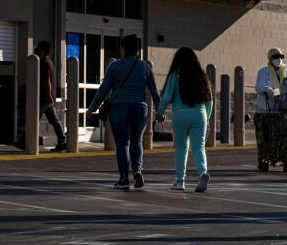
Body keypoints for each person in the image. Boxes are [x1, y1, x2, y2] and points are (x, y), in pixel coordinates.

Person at [86, 34, 160, 190]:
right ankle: (138, 170)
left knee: (122, 144)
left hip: (119, 108)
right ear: (137, 50)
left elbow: (104, 89)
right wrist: (160, 111)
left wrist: (92, 108)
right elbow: (154, 91)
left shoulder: (114, 66)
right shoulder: (144, 66)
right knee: (137, 141)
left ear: (123, 48)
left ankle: (124, 179)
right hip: (140, 108)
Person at [155, 47, 214, 192]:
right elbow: (209, 100)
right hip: (199, 114)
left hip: (180, 114)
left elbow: (167, 97)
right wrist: (206, 118)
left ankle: (180, 181)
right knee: (199, 147)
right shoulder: (201, 75)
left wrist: (159, 113)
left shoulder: (175, 75)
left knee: (181, 149)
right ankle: (202, 174)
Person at [254, 47, 287, 172]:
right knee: (266, 138)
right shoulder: (263, 71)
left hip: (284, 109)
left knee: (285, 138)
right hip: (267, 110)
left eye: (280, 57)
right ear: (270, 59)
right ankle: (264, 161)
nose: (278, 60)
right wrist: (266, 89)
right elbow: (258, 86)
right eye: (276, 57)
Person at [35, 40, 66, 152]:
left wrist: (48, 95)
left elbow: (46, 80)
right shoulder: (49, 62)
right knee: (54, 119)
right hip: (47, 96)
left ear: (42, 50)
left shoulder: (44, 63)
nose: (36, 50)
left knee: (34, 118)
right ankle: (62, 141)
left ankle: (28, 140)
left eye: (38, 48)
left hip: (44, 97)